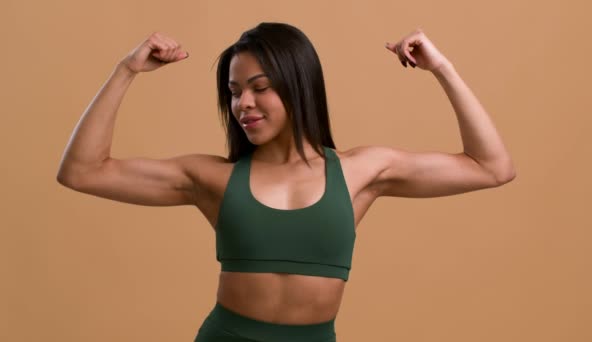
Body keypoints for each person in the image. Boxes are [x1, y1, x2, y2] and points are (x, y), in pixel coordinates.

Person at [56, 22, 516, 342]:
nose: (244, 104)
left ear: (297, 85)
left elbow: (492, 167)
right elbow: (82, 171)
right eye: (234, 92)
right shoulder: (212, 177)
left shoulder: (360, 172)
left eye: (260, 87)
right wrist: (126, 70)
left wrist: (443, 69)